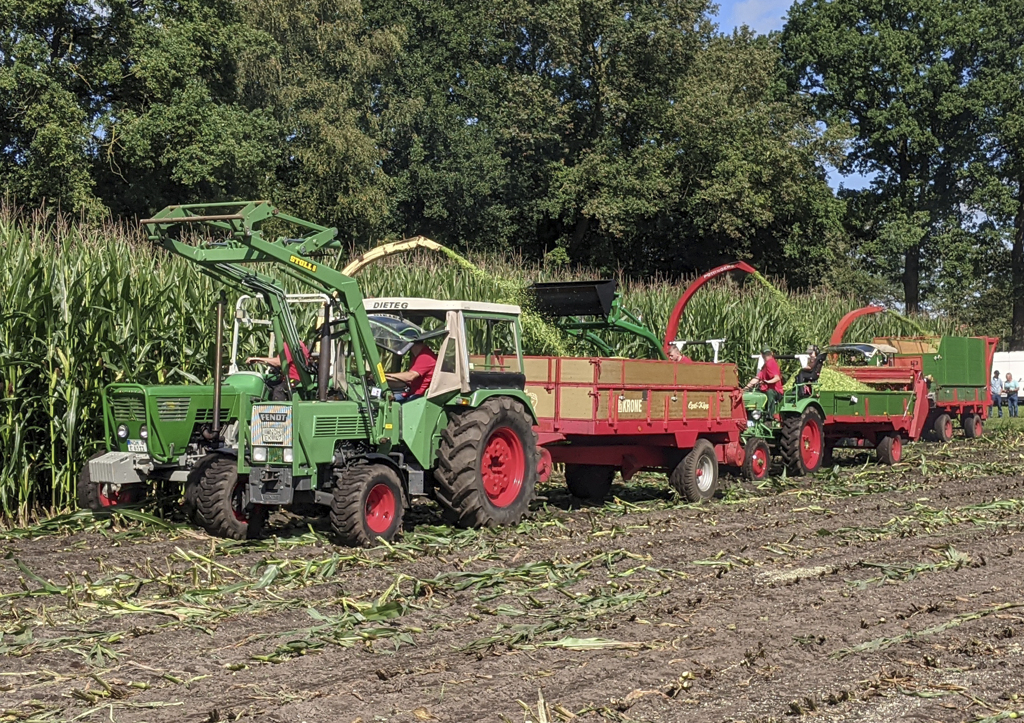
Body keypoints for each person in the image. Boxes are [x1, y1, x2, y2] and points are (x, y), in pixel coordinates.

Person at [743, 347, 784, 415]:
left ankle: (770, 416)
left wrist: (768, 382)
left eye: (768, 355)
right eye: (766, 355)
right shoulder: (765, 366)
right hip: (765, 389)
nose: (767, 356)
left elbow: (777, 378)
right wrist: (745, 389)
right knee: (753, 392)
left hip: (776, 391)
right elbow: (757, 378)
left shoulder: (771, 363)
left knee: (770, 392)